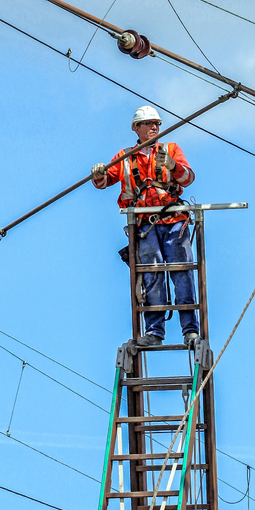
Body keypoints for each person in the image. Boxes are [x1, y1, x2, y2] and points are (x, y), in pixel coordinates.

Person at [91, 105, 200, 349]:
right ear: (136, 128)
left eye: (157, 124)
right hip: (144, 225)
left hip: (173, 221)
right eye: (149, 123)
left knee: (182, 272)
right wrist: (97, 173)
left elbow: (189, 178)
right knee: (151, 275)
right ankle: (154, 331)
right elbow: (105, 180)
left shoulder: (170, 150)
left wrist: (172, 165)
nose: (154, 127)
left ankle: (190, 330)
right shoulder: (126, 157)